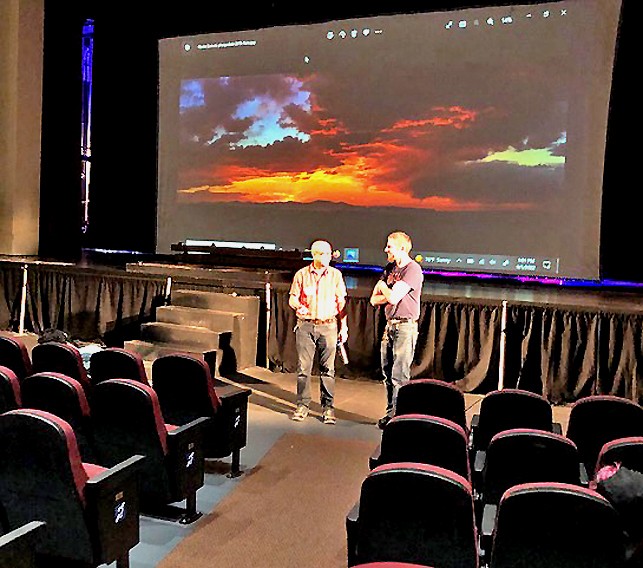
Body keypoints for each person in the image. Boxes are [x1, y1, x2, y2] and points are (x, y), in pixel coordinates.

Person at [289, 239, 348, 424]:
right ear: (314, 255)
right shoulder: (301, 275)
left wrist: (344, 327)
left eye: (330, 253)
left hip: (328, 326)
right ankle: (302, 405)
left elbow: (341, 303)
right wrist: (298, 306)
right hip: (306, 326)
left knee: (328, 370)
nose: (328, 257)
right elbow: (292, 298)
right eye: (324, 254)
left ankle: (328, 408)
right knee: (303, 369)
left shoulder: (335, 275)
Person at [370, 231, 424, 429]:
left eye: (389, 246)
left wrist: (383, 287)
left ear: (402, 248)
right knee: (387, 372)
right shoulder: (390, 269)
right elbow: (373, 299)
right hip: (390, 325)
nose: (386, 249)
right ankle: (390, 413)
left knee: (399, 375)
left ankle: (399, 417)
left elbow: (391, 297)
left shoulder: (413, 269)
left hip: (405, 326)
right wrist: (387, 291)